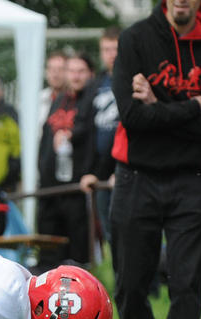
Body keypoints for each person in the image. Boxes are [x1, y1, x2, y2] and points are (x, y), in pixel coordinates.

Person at [111, 0, 201, 319]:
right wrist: (193, 107)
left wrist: (158, 105)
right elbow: (131, 117)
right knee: (129, 285)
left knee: (186, 285)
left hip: (191, 179)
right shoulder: (136, 39)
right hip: (135, 177)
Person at [36, 52, 95, 270]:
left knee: (75, 257)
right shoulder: (59, 100)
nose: (75, 76)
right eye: (71, 71)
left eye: (81, 71)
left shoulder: (92, 99)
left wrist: (71, 134)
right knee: (48, 253)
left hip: (75, 188)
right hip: (49, 189)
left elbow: (89, 133)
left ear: (90, 74)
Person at [79, 27, 121, 245]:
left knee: (131, 235)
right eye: (106, 49)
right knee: (110, 235)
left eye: (115, 48)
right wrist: (90, 172)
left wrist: (123, 171)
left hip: (127, 172)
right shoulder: (95, 85)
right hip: (101, 174)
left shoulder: (134, 80)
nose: (111, 54)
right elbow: (88, 130)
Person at [39, 51, 67, 131]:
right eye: (51, 69)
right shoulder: (37, 100)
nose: (55, 74)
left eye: (60, 69)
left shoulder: (76, 99)